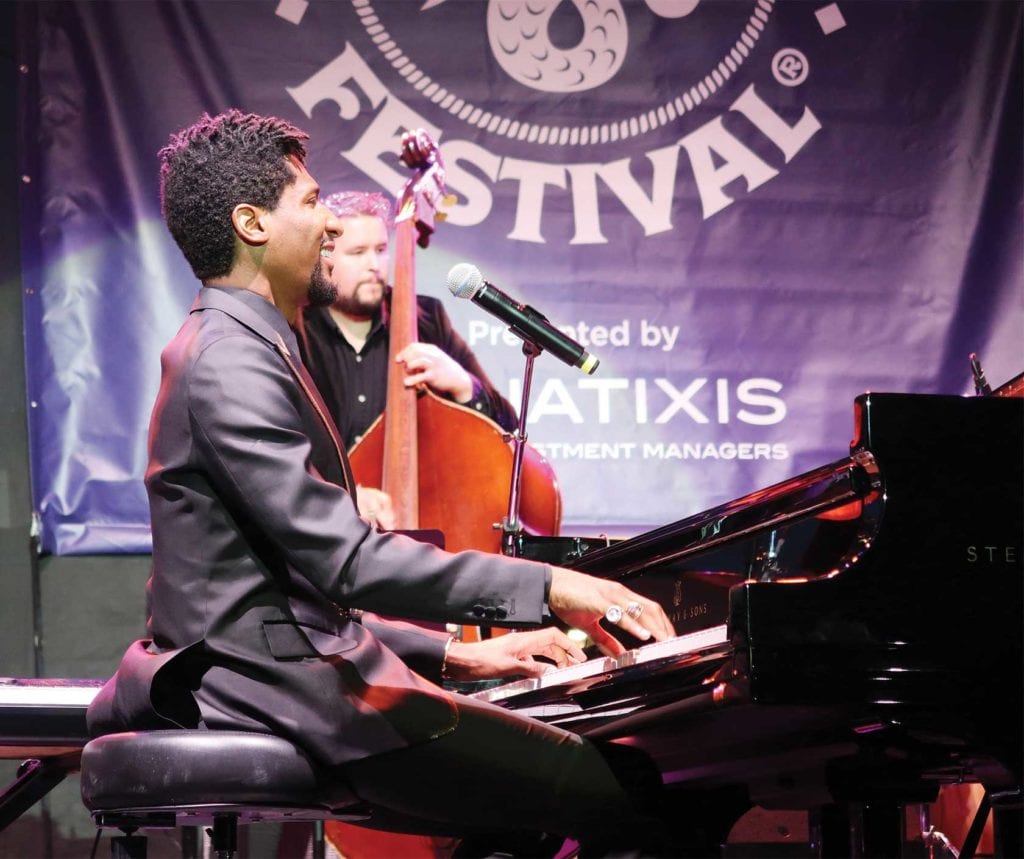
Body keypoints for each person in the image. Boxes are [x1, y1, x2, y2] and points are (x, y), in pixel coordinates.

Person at [87, 109, 677, 853]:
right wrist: (553, 587)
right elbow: (350, 562)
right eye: (309, 204)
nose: (329, 229)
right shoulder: (230, 360)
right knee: (631, 789)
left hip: (282, 671)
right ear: (251, 223)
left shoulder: (248, 344)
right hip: (278, 691)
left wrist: (458, 654)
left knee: (532, 813)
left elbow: (288, 592)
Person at [296, 190, 517, 528]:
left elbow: (506, 426)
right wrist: (346, 491)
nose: (374, 265)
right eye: (357, 252)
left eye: (381, 250)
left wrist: (463, 385)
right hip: (325, 528)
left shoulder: (425, 319)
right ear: (325, 256)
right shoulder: (295, 326)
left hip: (422, 521)